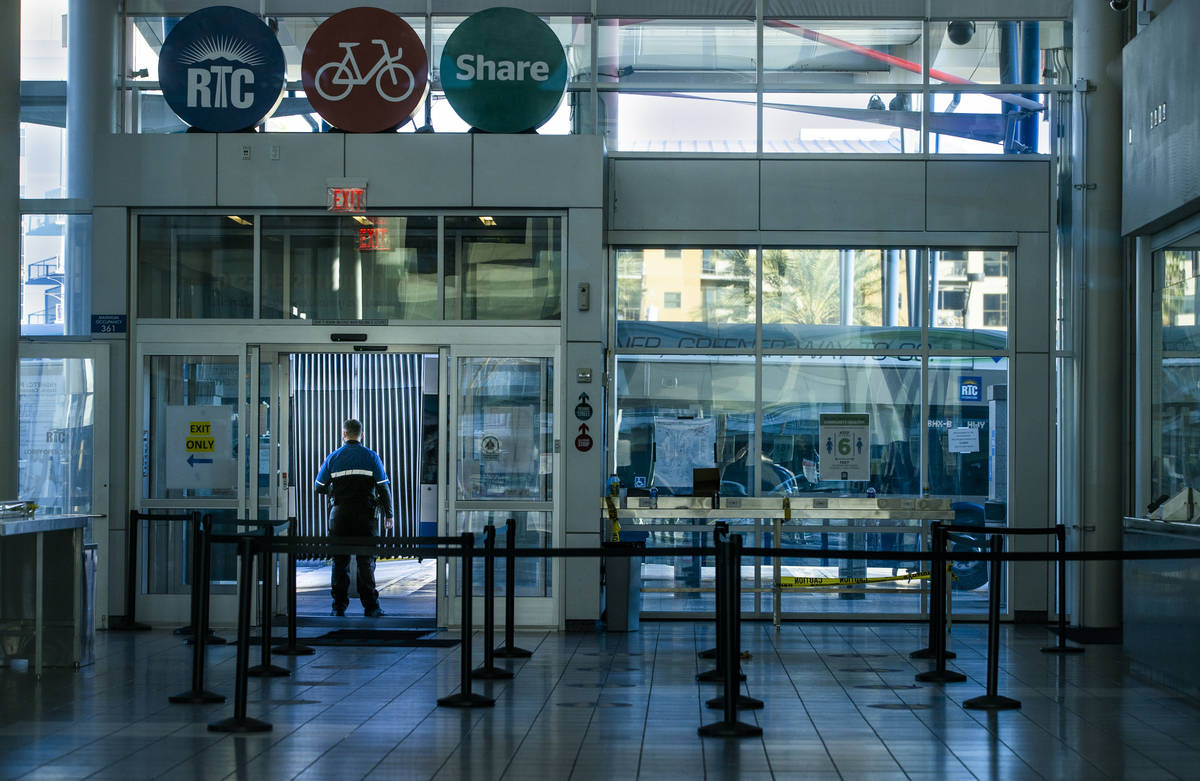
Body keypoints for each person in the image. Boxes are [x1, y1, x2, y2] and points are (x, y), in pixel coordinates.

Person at [315, 418, 394, 617]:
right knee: (366, 562)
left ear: (344, 434)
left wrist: (335, 489)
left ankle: (338, 607)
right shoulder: (372, 457)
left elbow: (319, 487)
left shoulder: (333, 457)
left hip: (339, 515)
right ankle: (371, 607)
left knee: (339, 562)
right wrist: (389, 514)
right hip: (365, 516)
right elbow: (383, 488)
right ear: (362, 434)